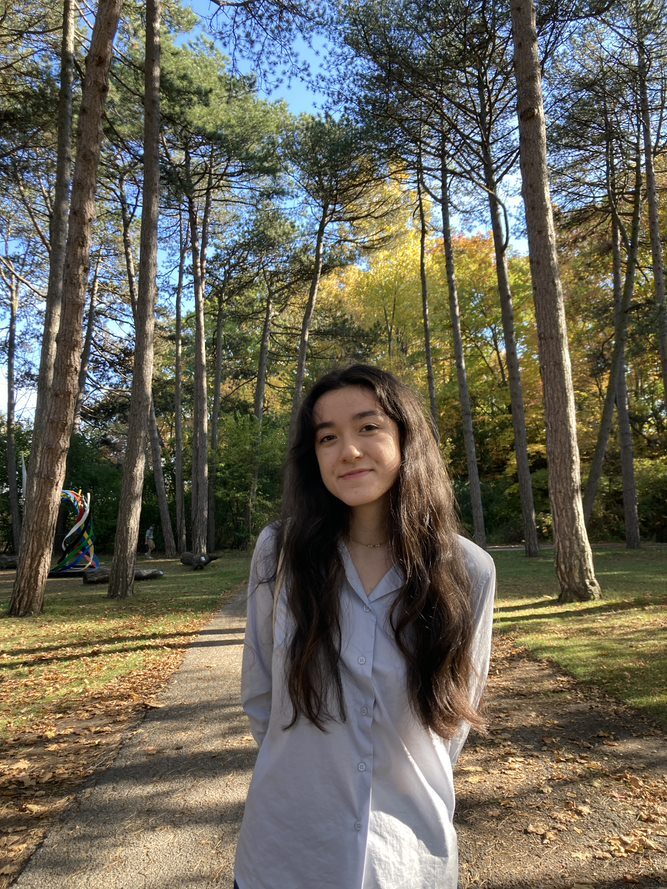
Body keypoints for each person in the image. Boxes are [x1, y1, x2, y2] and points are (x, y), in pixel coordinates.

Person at [234, 364, 495, 889]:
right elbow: (261, 694)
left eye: (368, 427)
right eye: (327, 437)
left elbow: (454, 716)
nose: (347, 450)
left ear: (405, 435)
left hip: (409, 857)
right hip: (287, 852)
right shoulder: (280, 553)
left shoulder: (467, 569)